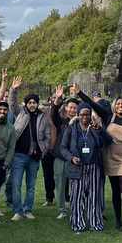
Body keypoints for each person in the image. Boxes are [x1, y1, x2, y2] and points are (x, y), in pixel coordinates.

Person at [78, 89, 122, 232]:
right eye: (118, 104)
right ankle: (118, 221)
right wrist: (80, 93)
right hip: (111, 157)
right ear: (114, 106)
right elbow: (92, 104)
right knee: (116, 190)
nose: (120, 106)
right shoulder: (107, 116)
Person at [8, 77, 51, 221]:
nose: (32, 104)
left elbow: (47, 135)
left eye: (34, 102)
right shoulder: (20, 113)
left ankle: (27, 209)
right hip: (19, 155)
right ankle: (17, 211)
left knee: (31, 186)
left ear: (37, 104)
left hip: (34, 157)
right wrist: (14, 89)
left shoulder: (42, 116)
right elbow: (12, 103)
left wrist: (43, 149)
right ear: (26, 104)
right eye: (29, 102)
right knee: (16, 184)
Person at [60, 103, 106, 233]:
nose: (85, 117)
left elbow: (101, 143)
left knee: (93, 197)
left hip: (93, 166)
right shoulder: (71, 128)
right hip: (77, 167)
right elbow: (63, 148)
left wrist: (97, 129)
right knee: (77, 197)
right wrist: (71, 158)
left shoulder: (94, 127)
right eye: (82, 114)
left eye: (87, 114)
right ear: (78, 115)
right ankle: (78, 224)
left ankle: (95, 223)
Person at [49, 85, 77, 220]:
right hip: (60, 158)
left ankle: (76, 207)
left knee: (76, 185)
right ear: (66, 108)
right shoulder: (62, 121)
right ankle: (62, 210)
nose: (72, 109)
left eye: (74, 108)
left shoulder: (80, 122)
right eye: (70, 107)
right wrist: (57, 100)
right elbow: (53, 114)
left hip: (75, 159)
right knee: (60, 185)